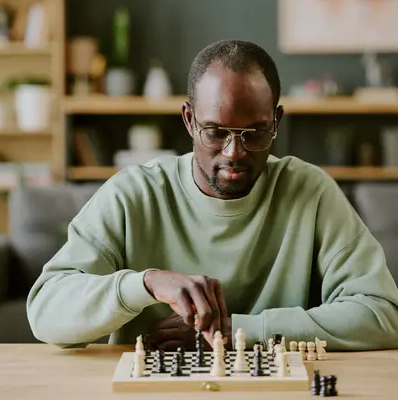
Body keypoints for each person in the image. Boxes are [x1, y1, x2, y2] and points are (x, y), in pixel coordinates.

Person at [27, 40, 398, 351]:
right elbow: (45, 313)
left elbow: (382, 314)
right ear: (189, 120)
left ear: (277, 121)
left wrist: (238, 332)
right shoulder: (133, 193)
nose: (234, 151)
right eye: (215, 131)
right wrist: (145, 283)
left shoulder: (311, 192)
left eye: (254, 133)